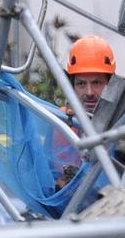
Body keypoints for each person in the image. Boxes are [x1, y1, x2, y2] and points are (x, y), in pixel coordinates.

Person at [50, 35, 120, 189]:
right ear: (72, 86)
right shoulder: (64, 121)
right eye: (81, 84)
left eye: (96, 83)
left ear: (110, 84)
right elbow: (60, 177)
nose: (89, 92)